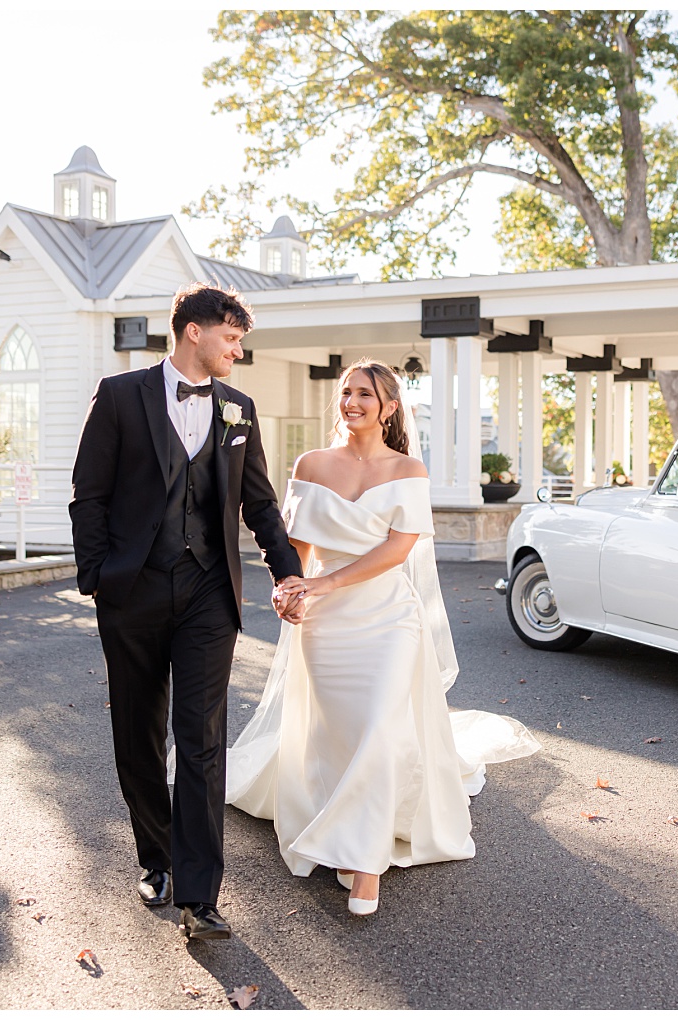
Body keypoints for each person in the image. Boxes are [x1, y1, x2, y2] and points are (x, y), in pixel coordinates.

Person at [227, 359, 540, 916]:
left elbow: (397, 550)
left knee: (376, 723)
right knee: (339, 730)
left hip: (387, 617)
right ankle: (343, 824)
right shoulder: (311, 463)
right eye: (346, 392)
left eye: (365, 394)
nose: (352, 402)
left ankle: (365, 860)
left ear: (390, 407)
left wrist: (322, 582)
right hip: (324, 623)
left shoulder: (408, 471)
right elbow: (295, 546)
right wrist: (290, 588)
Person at [69, 283, 303, 941]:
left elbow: (258, 505)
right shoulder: (119, 396)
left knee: (200, 739)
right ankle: (158, 859)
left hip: (208, 594)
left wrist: (287, 570)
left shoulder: (239, 409)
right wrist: (98, 580)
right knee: (139, 735)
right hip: (132, 591)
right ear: (193, 331)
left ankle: (201, 897)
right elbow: (90, 496)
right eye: (231, 338)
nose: (237, 350)